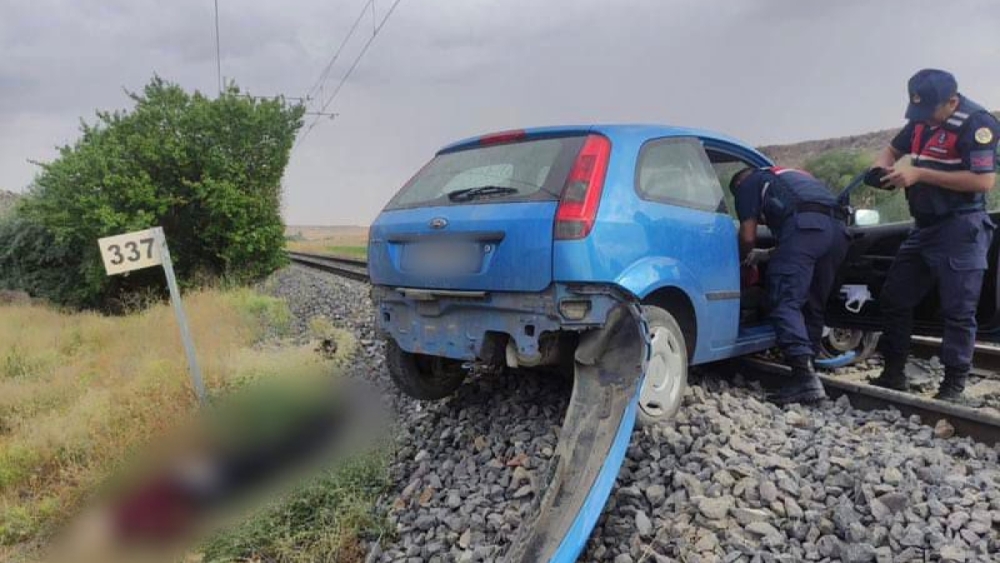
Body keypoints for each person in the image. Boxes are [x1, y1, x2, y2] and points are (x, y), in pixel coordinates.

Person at [869, 69, 999, 401]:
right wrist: (882, 167)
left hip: (961, 226)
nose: (923, 119)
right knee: (894, 297)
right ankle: (893, 371)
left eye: (929, 112)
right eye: (918, 112)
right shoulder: (922, 118)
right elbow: (892, 149)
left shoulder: (977, 124)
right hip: (923, 227)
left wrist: (919, 173)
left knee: (958, 310)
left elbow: (983, 182)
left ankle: (953, 385)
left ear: (952, 102)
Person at [730, 166, 850, 404]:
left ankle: (804, 378)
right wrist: (767, 254)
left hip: (806, 229)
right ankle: (810, 368)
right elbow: (805, 228)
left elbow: (747, 236)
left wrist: (739, 259)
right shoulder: (794, 176)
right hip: (838, 231)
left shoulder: (747, 184)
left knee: (785, 302)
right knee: (812, 304)